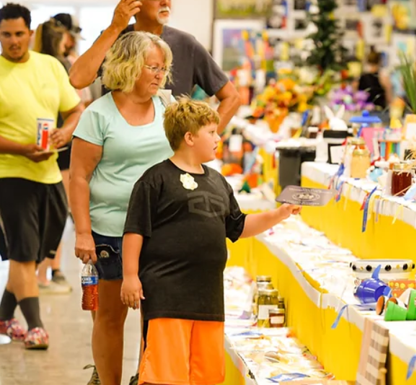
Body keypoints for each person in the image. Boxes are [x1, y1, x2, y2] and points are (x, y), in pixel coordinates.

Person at [120, 98, 300, 385]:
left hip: (208, 298)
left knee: (207, 375)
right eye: (212, 132)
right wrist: (130, 276)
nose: (219, 138)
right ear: (189, 138)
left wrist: (279, 213)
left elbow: (238, 227)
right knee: (164, 375)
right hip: (167, 294)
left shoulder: (218, 181)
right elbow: (134, 230)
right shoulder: (155, 180)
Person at [0, 3, 83, 350]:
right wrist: (22, 149)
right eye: (7, 34)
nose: (14, 41)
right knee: (22, 255)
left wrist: (66, 133)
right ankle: (35, 326)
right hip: (6, 174)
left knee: (34, 255)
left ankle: (3, 318)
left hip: (48, 174)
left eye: (20, 34)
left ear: (31, 33)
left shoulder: (50, 66)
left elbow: (75, 109)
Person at [70, 32, 174, 385]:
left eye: (164, 68)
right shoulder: (98, 115)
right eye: (153, 67)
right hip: (109, 231)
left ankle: (146, 379)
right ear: (130, 66)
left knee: (157, 317)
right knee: (110, 317)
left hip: (162, 231)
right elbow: (79, 177)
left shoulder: (168, 109)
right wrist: (83, 233)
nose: (160, 75)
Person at [68, 0, 240, 133]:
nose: (165, 1)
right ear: (134, 2)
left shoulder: (186, 44)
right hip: (118, 148)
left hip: (170, 154)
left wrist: (207, 137)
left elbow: (231, 97)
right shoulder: (114, 39)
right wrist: (114, 27)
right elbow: (77, 79)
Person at [33, 19, 77, 294]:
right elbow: (78, 101)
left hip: (42, 138)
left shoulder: (34, 65)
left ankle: (44, 271)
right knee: (58, 210)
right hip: (62, 140)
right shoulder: (63, 65)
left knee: (44, 211)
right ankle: (50, 270)